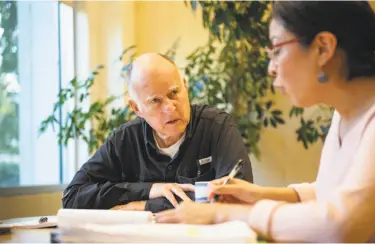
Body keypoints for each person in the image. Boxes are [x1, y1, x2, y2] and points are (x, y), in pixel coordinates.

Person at [155, 1, 375, 242]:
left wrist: (223, 213)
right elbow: (334, 194)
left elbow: (340, 226)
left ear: (323, 48)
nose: (271, 69)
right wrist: (259, 194)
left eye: (276, 50)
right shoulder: (347, 113)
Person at [62, 53, 253, 213]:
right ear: (136, 108)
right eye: (155, 101)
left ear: (185, 87)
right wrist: (150, 189)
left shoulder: (217, 126)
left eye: (173, 93)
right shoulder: (125, 139)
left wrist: (143, 205)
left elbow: (238, 197)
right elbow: (73, 197)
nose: (170, 108)